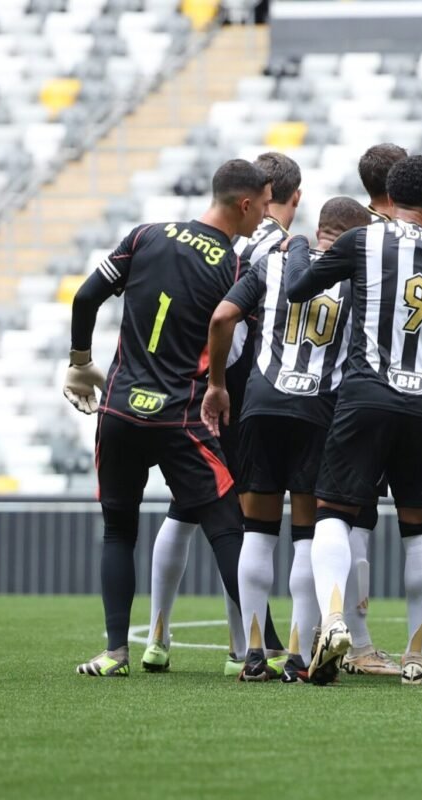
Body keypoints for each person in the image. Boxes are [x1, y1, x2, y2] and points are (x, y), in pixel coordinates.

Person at [63, 159, 272, 677]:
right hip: (181, 414)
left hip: (118, 408)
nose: (266, 214)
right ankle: (259, 650)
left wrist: (80, 362)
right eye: (264, 204)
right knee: (227, 527)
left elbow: (86, 296)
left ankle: (115, 652)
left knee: (119, 531)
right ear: (244, 204)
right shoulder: (237, 266)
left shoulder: (145, 235)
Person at [283, 154, 422, 686]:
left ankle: (332, 621)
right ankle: (417, 656)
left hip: (365, 394)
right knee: (421, 530)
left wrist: (301, 246)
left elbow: (298, 290)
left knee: (334, 512)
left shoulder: (359, 242)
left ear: (389, 200)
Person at [202, 196, 373, 682]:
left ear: (320, 229)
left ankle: (254, 653)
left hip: (262, 406)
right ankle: (298, 655)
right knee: (306, 536)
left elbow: (220, 319)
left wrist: (216, 385)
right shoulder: (360, 281)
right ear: (356, 237)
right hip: (318, 412)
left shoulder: (272, 264)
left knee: (256, 533)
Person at [142, 151, 299, 678]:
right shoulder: (273, 246)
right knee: (235, 514)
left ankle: (158, 636)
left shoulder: (232, 239)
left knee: (186, 508)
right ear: (285, 196)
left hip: (195, 379)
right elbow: (232, 319)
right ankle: (244, 645)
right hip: (238, 388)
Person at [336, 142, 413, 676]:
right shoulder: (400, 240)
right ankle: (360, 641)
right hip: (405, 389)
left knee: (348, 513)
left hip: (351, 389)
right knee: (367, 514)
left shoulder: (350, 233)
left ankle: (345, 634)